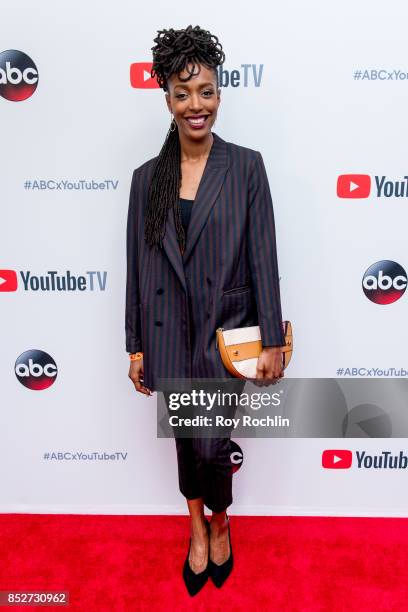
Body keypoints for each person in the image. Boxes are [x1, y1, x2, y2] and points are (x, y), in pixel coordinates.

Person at [125, 25, 285, 596]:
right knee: (187, 440)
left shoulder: (246, 167)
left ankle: (222, 520)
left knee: (214, 442)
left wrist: (271, 339)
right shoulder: (148, 180)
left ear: (220, 94)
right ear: (166, 98)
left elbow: (263, 256)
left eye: (207, 91)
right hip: (168, 333)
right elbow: (137, 268)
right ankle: (197, 528)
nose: (197, 105)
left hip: (227, 335)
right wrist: (136, 345)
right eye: (183, 92)